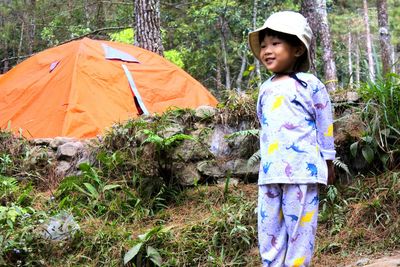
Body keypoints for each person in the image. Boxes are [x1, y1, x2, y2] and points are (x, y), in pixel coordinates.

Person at [248, 11, 336, 267]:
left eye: (276, 43)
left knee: (300, 233)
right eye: (263, 45)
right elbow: (264, 123)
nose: (267, 50)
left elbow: (324, 126)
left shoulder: (311, 85)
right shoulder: (265, 88)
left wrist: (328, 163)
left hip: (302, 173)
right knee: (268, 232)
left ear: (297, 49)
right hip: (271, 174)